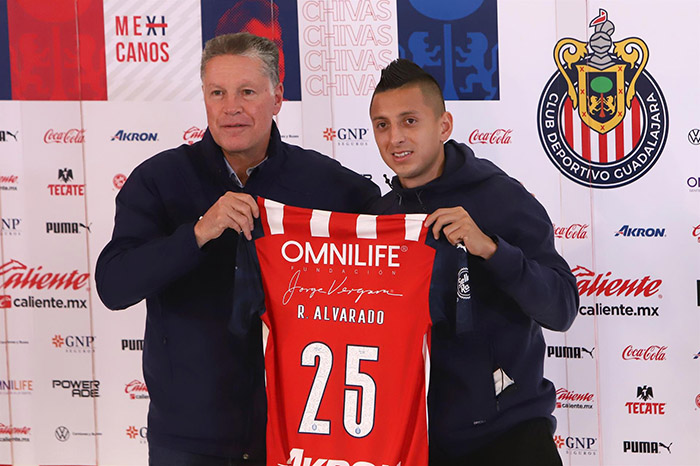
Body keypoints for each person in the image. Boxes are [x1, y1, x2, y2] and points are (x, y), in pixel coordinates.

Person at [95, 33, 379, 466]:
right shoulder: (159, 179)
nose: (231, 107)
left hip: (299, 434)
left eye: (247, 92)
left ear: (277, 97)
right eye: (218, 93)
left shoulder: (326, 182)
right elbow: (114, 285)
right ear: (204, 98)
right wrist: (198, 233)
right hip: (188, 440)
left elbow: (398, 234)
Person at [368, 58, 579, 466]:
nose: (395, 138)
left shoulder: (502, 197)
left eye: (409, 121)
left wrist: (491, 250)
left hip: (511, 438)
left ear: (444, 126)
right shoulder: (379, 217)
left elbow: (562, 308)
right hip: (417, 443)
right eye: (382, 125)